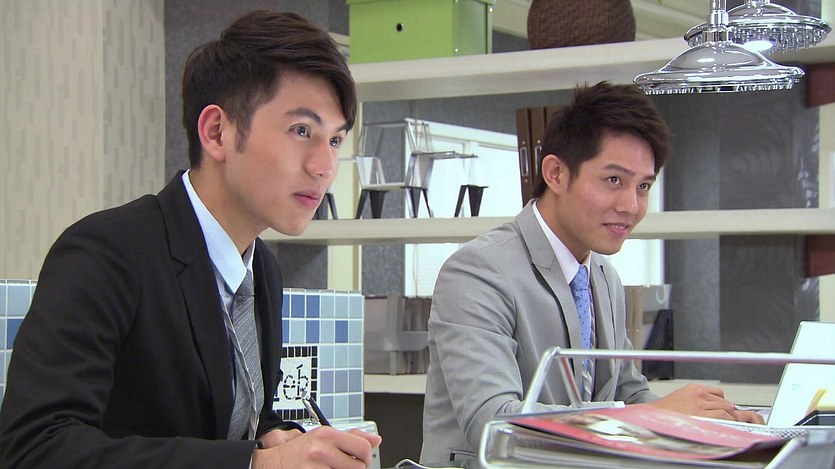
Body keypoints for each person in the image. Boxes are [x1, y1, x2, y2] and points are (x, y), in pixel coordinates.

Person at [0, 10, 380, 469]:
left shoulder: (261, 269)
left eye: (335, 140)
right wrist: (256, 464)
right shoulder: (105, 253)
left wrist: (271, 438)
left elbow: (224, 419)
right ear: (217, 132)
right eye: (302, 131)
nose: (324, 167)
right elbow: (35, 448)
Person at [420, 81, 762, 464]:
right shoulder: (478, 271)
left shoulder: (602, 276)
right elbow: (495, 425)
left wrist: (706, 423)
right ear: (556, 173)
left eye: (643, 186)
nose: (631, 206)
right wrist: (656, 418)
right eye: (614, 180)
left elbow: (628, 392)